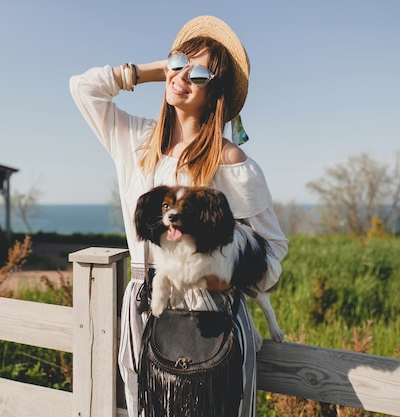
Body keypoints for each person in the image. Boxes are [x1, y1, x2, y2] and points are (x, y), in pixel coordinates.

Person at [70, 15, 288, 417]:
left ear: (216, 90)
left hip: (213, 317)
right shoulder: (136, 142)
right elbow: (82, 88)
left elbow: (273, 252)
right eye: (178, 63)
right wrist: (156, 70)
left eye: (200, 72)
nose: (183, 76)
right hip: (145, 308)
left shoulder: (230, 160)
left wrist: (224, 276)